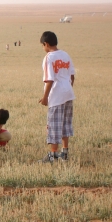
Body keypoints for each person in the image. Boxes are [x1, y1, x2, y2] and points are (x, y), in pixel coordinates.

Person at [38, 31, 75, 163]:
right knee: (65, 124)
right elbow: (72, 76)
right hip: (68, 93)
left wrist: (45, 98)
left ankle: (53, 155)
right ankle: (64, 153)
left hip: (56, 95)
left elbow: (49, 79)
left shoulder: (49, 57)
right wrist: (68, 88)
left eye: (43, 46)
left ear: (46, 44)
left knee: (54, 125)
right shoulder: (65, 55)